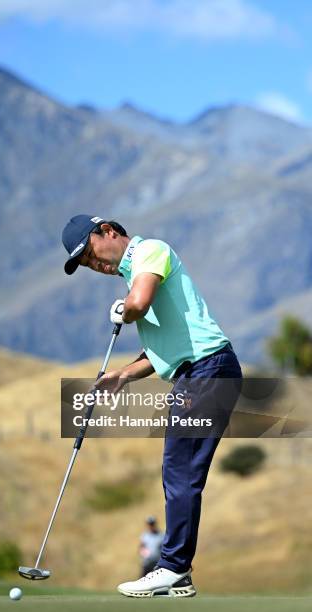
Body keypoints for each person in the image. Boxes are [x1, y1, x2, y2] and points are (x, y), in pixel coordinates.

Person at [61, 215, 242, 598]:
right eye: (88, 266)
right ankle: (180, 572)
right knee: (180, 470)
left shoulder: (149, 251)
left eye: (91, 254)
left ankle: (173, 566)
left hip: (207, 370)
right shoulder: (136, 273)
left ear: (107, 231)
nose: (97, 266)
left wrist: (124, 310)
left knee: (180, 470)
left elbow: (139, 305)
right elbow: (164, 351)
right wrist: (124, 375)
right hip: (198, 372)